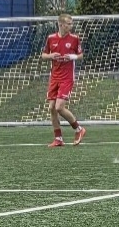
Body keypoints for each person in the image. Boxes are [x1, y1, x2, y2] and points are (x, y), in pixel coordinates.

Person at [41, 13, 86, 147]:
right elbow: (43, 55)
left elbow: (80, 55)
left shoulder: (74, 39)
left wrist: (72, 57)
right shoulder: (51, 38)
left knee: (59, 107)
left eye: (71, 24)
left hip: (67, 77)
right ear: (61, 24)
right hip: (54, 77)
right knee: (52, 108)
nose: (71, 26)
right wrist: (51, 56)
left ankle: (79, 129)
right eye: (68, 24)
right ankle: (58, 138)